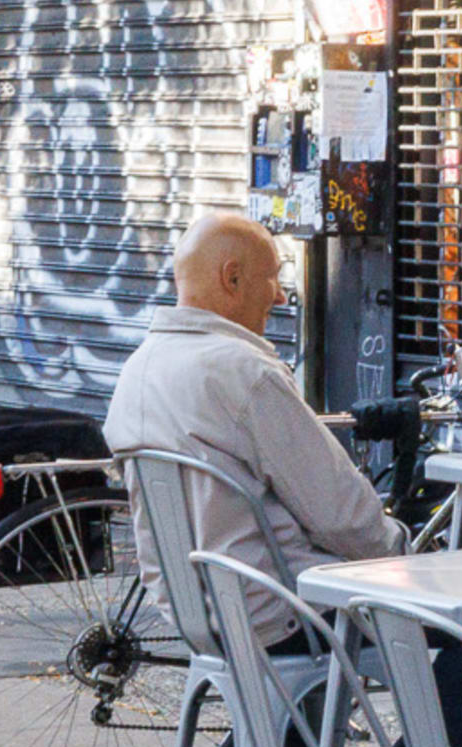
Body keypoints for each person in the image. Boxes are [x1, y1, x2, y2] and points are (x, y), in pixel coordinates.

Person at [106, 210, 398, 638]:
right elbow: (340, 513)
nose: (280, 296)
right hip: (282, 612)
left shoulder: (138, 369)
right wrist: (406, 556)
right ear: (233, 278)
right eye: (272, 277)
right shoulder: (244, 372)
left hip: (199, 618)